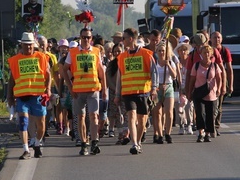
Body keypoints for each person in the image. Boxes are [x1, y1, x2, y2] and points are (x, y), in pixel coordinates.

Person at [7, 32, 51, 159]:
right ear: (21, 45)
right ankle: (26, 149)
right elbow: (11, 80)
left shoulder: (41, 58)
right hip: (22, 97)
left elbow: (48, 75)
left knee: (41, 124)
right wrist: (10, 97)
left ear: (34, 45)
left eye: (30, 45)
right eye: (26, 45)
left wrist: (48, 89)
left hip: (38, 96)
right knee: (23, 122)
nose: (29, 48)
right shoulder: (15, 60)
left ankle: (37, 143)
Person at [65, 27, 107, 156]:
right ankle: (84, 143)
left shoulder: (96, 51)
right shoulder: (72, 52)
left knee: (94, 116)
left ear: (91, 38)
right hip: (78, 90)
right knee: (80, 117)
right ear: (80, 38)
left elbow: (101, 71)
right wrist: (70, 87)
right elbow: (64, 70)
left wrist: (104, 89)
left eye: (88, 37)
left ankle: (94, 142)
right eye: (84, 37)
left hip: (93, 88)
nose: (86, 40)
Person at [115, 27, 158, 155]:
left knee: (142, 119)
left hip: (143, 91)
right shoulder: (122, 57)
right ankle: (134, 143)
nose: (122, 41)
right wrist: (117, 94)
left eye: (124, 38)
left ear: (131, 39)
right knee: (132, 116)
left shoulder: (146, 54)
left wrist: (154, 88)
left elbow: (154, 72)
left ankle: (138, 142)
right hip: (128, 93)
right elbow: (120, 77)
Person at [189, 44, 223, 142]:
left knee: (210, 114)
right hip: (199, 93)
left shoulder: (214, 66)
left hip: (211, 94)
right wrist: (190, 91)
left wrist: (219, 89)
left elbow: (219, 78)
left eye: (208, 52)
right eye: (204, 52)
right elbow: (192, 79)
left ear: (211, 54)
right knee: (200, 113)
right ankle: (200, 133)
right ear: (201, 54)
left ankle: (208, 133)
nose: (206, 54)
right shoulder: (196, 65)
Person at [151, 42, 178, 144]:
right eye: (159, 51)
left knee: (169, 112)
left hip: (168, 87)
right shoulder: (154, 63)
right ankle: (160, 134)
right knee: (157, 113)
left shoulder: (171, 62)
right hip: (157, 88)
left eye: (163, 51)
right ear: (157, 52)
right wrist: (157, 86)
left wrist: (168, 65)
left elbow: (174, 76)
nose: (161, 53)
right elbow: (151, 76)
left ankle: (168, 133)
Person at [210, 31, 233, 136]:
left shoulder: (224, 51)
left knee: (218, 105)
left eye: (218, 37)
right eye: (214, 37)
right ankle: (208, 125)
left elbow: (229, 69)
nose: (217, 39)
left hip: (220, 80)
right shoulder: (207, 50)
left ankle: (215, 126)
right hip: (208, 80)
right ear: (210, 39)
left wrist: (230, 85)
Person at [175, 42, 194, 135]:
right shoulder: (176, 62)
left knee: (189, 107)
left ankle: (189, 124)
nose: (183, 52)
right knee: (179, 107)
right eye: (181, 50)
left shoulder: (190, 62)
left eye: (185, 50)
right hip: (178, 88)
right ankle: (182, 125)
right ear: (178, 52)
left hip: (188, 87)